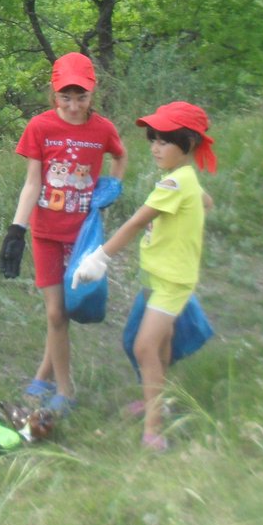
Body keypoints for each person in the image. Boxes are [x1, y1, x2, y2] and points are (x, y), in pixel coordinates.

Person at [72, 101, 217, 451]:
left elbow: (136, 222)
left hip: (171, 282)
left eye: (165, 141)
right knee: (162, 344)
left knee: (144, 345)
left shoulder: (172, 186)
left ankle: (154, 429)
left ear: (188, 144)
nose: (155, 147)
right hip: (160, 276)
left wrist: (99, 258)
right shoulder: (183, 180)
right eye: (153, 139)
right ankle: (158, 400)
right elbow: (206, 200)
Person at [0, 52, 127, 417]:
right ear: (54, 94)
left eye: (81, 97)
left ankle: (44, 373)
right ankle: (65, 389)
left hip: (83, 235)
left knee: (68, 310)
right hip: (45, 234)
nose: (73, 106)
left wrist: (112, 186)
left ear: (92, 93)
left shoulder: (102, 129)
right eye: (65, 97)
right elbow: (32, 182)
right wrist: (16, 230)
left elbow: (120, 154)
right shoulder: (39, 127)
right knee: (56, 313)